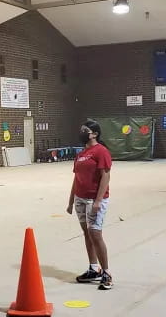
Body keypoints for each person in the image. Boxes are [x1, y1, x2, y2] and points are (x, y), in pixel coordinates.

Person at [66, 120, 113, 290]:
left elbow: (105, 176)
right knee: (87, 233)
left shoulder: (101, 151)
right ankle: (94, 269)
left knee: (96, 234)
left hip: (94, 199)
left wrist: (98, 200)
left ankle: (106, 273)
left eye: (85, 130)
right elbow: (76, 178)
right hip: (80, 198)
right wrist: (71, 201)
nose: (82, 132)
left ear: (95, 134)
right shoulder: (81, 154)